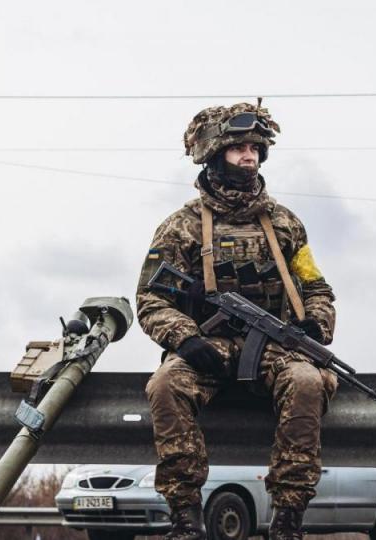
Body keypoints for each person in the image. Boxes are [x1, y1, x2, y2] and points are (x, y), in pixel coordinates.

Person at [136, 102, 338, 540]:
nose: (249, 156)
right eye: (238, 148)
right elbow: (151, 297)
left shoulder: (285, 225)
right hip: (209, 343)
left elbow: (317, 288)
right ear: (213, 154)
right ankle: (185, 517)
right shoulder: (181, 227)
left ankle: (287, 519)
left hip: (275, 347)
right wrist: (185, 339)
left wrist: (315, 327)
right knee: (165, 384)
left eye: (255, 148)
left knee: (306, 382)